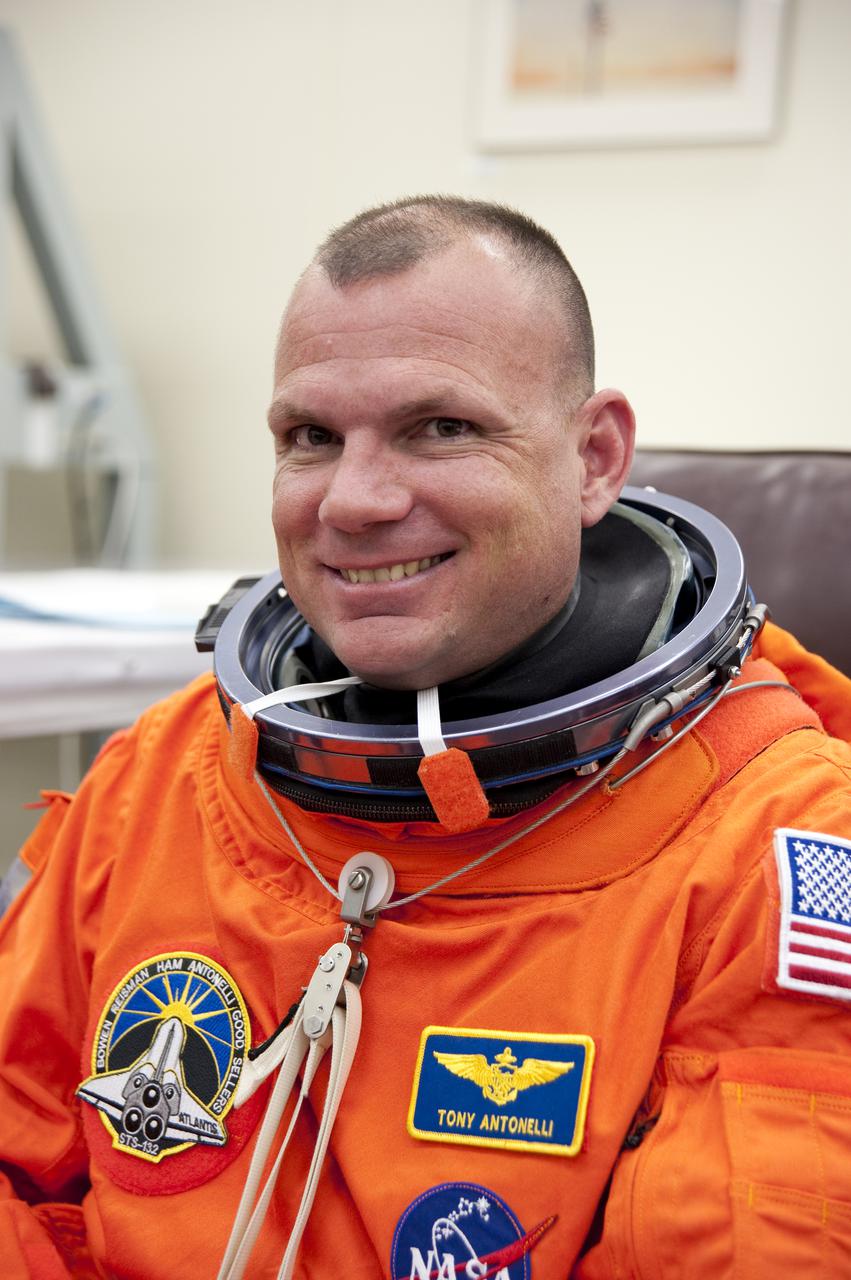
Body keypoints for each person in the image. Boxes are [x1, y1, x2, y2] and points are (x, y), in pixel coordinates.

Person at [2, 195, 851, 1279]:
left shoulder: (774, 852)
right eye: (311, 437)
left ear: (592, 457)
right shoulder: (162, 777)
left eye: (438, 427)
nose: (352, 500)